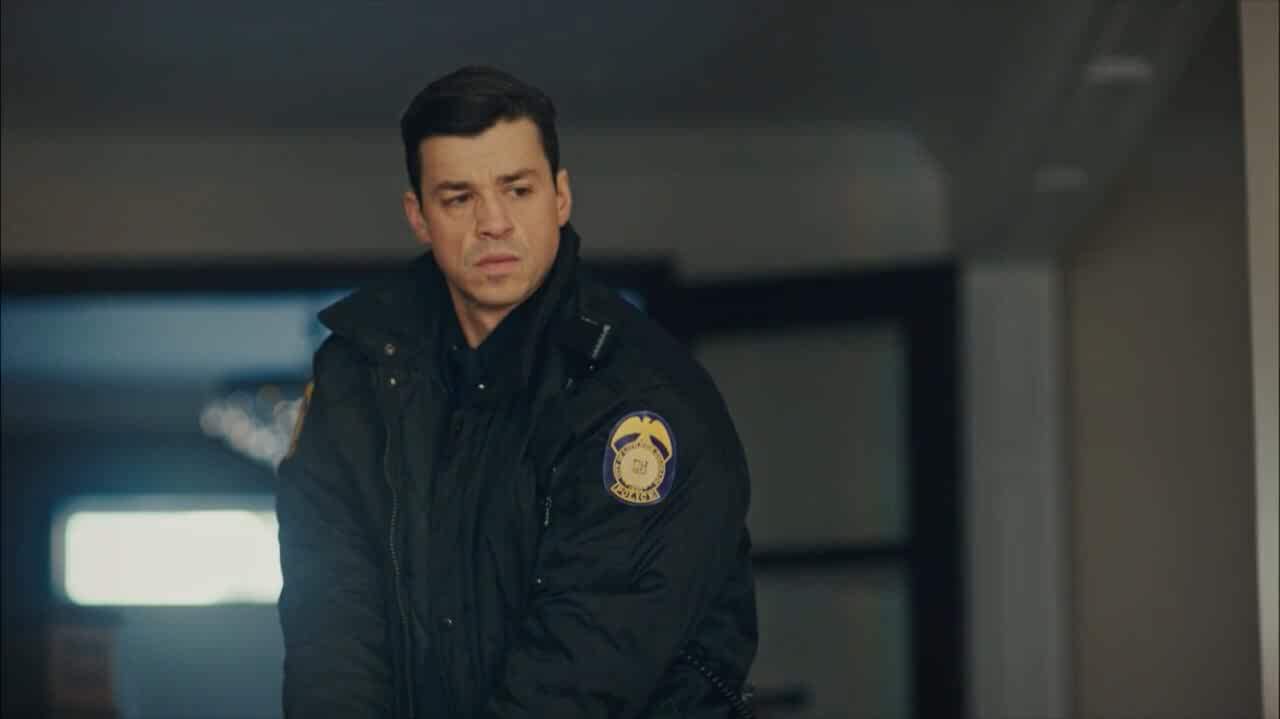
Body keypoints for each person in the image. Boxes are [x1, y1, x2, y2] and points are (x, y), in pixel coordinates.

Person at [275, 66, 758, 718]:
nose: (493, 223)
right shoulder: (356, 379)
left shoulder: (641, 395)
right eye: (459, 198)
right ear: (419, 216)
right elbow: (331, 626)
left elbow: (584, 672)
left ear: (560, 197)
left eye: (517, 189)